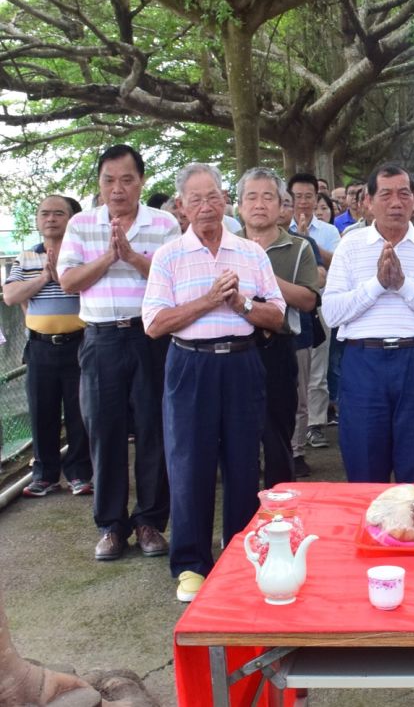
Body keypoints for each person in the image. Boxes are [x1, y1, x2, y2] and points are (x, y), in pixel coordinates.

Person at [143, 163, 285, 602]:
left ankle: (240, 555)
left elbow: (277, 316)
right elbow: (154, 323)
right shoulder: (169, 256)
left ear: (225, 200)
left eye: (213, 197)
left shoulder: (250, 253)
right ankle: (191, 564)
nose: (206, 207)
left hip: (242, 363)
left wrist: (239, 303)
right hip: (190, 365)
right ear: (182, 207)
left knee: (244, 462)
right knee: (189, 464)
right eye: (196, 200)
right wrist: (208, 300)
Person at [58, 144, 178, 562]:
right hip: (101, 339)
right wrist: (111, 257)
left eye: (127, 179)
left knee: (153, 429)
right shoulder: (80, 224)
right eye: (109, 180)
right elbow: (69, 280)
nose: (118, 188)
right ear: (100, 182)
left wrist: (133, 257)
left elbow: (174, 276)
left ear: (141, 181)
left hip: (151, 337)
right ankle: (110, 526)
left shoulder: (163, 224)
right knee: (103, 432)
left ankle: (149, 522)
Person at [323, 163, 414, 482]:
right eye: (385, 194)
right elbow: (332, 312)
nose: (395, 203)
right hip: (363, 364)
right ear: (368, 202)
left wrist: (403, 285)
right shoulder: (350, 246)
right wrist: (377, 285)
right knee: (364, 469)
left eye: (403, 194)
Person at [4, 195, 92, 498]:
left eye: (58, 213)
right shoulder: (27, 257)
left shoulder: (82, 255)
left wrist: (65, 278)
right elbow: (11, 295)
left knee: (81, 411)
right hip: (40, 347)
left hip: (79, 343)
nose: (51, 219)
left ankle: (80, 473)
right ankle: (45, 475)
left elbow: (90, 289)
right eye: (45, 213)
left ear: (72, 219)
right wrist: (44, 277)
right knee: (42, 410)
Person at [237, 168, 320, 489]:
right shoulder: (224, 245)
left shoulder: (299, 248)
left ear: (281, 204)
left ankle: (280, 515)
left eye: (268, 197)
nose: (260, 204)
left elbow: (308, 300)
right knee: (238, 440)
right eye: (252, 197)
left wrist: (263, 276)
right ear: (240, 205)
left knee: (278, 438)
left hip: (280, 350)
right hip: (235, 350)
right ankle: (241, 520)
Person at [288, 173, 339, 451]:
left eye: (310, 196)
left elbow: (337, 265)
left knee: (318, 369)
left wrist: (307, 242)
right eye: (298, 196)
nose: (304, 202)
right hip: (287, 307)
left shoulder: (329, 231)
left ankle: (315, 425)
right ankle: (293, 434)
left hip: (320, 305)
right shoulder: (280, 226)